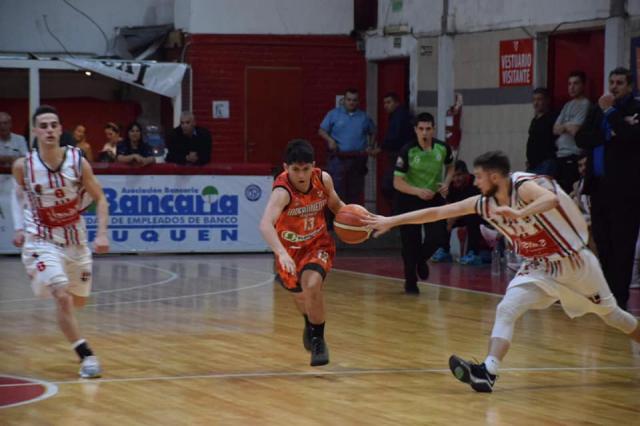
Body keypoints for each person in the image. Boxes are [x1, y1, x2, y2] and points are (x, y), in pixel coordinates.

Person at [365, 151, 640, 393]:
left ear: (495, 177)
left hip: (574, 263)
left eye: (479, 177)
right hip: (539, 267)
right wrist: (392, 220)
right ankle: (487, 372)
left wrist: (520, 214)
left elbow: (550, 200)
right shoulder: (483, 204)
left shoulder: (523, 187)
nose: (474, 182)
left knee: (613, 316)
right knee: (506, 309)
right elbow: (437, 212)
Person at [11, 105, 110, 378]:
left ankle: (70, 325)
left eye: (54, 124)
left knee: (78, 302)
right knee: (62, 297)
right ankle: (87, 356)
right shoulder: (24, 166)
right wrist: (20, 227)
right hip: (41, 241)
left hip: (76, 242)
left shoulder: (78, 162)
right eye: (43, 126)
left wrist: (102, 233)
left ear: (60, 129)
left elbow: (100, 198)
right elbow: (17, 194)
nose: (49, 130)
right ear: (35, 131)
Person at [259, 139, 346, 367]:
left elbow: (337, 207)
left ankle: (318, 339)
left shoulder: (322, 179)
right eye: (295, 169)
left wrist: (359, 220)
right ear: (286, 168)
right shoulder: (282, 192)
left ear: (313, 166)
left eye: (306, 169)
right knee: (301, 296)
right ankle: (310, 321)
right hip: (290, 252)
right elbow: (265, 225)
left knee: (312, 285)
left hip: (318, 244)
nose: (301, 175)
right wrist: (281, 253)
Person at [576, 67, 640, 311]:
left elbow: (631, 136)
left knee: (622, 243)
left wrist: (612, 114)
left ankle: (620, 297)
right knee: (603, 242)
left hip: (626, 191)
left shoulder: (634, 108)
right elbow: (582, 138)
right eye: (611, 82)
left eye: (620, 83)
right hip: (599, 187)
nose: (614, 87)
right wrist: (608, 134)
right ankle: (607, 293)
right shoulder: (597, 108)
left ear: (630, 86)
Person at [394, 112, 453, 294]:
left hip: (433, 199)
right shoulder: (407, 150)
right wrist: (417, 191)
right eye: (421, 129)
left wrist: (446, 183)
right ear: (415, 130)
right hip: (409, 199)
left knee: (438, 236)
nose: (425, 133)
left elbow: (451, 166)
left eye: (428, 129)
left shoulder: (443, 148)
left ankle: (420, 260)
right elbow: (397, 182)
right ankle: (410, 282)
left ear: (433, 129)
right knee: (410, 243)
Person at [318, 88, 377, 204]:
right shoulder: (334, 114)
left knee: (355, 191)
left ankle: (353, 218)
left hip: (357, 159)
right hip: (338, 159)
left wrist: (370, 145)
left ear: (358, 102)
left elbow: (373, 132)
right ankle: (337, 217)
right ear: (344, 100)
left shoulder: (364, 117)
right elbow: (321, 130)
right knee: (337, 190)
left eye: (354, 100)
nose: (351, 102)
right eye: (349, 99)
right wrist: (330, 140)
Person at [553, 71, 590, 193]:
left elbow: (576, 129)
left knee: (570, 193)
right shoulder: (567, 105)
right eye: (569, 84)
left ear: (583, 85)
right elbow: (555, 129)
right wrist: (567, 126)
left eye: (576, 83)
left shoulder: (585, 104)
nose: (572, 87)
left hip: (573, 155)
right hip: (560, 155)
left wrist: (564, 127)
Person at [380, 92, 414, 204]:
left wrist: (381, 147)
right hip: (402, 155)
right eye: (384, 103)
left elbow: (394, 137)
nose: (386, 105)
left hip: (399, 156)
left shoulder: (399, 117)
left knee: (389, 185)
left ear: (396, 103)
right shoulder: (398, 116)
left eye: (389, 102)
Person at [526, 88, 557, 175]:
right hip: (532, 165)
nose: (536, 103)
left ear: (547, 100)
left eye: (539, 99)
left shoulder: (552, 118)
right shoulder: (534, 120)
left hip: (545, 163)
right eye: (534, 100)